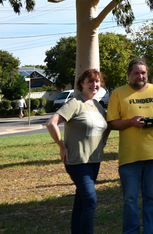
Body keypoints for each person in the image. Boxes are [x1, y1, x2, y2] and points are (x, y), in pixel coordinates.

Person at [107, 58, 153, 234]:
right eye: (136, 73)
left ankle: (150, 231)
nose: (140, 76)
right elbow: (112, 123)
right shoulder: (118, 93)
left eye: (143, 73)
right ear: (129, 74)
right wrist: (130, 122)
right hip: (130, 157)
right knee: (130, 200)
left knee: (152, 198)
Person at [46, 69, 110, 234]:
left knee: (81, 201)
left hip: (94, 161)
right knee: (90, 200)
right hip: (77, 161)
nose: (94, 85)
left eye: (97, 81)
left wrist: (103, 141)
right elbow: (51, 123)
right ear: (81, 83)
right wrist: (61, 146)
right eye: (90, 81)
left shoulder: (97, 106)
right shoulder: (75, 103)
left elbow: (108, 124)